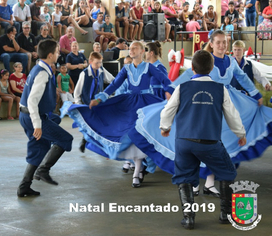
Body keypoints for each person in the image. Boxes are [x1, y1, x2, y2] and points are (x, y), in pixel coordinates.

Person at [130, 30, 272, 197]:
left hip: (225, 102)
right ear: (211, 43)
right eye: (218, 42)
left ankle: (210, 183)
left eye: (224, 42)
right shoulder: (204, 60)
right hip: (204, 105)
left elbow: (242, 78)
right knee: (203, 142)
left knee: (219, 144)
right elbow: (187, 77)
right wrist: (171, 91)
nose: (222, 45)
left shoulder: (231, 61)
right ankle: (196, 182)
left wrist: (255, 94)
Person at [61, 41, 174, 188]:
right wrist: (100, 98)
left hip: (146, 104)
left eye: (134, 48)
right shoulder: (126, 68)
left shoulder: (149, 67)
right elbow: (114, 85)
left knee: (142, 135)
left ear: (142, 52)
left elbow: (166, 81)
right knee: (129, 134)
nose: (131, 50)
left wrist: (170, 93)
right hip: (129, 104)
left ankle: (139, 170)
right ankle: (137, 169)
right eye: (130, 48)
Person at [160, 50, 246, 229]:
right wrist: (240, 134)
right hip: (210, 142)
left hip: (184, 141)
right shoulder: (219, 89)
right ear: (212, 68)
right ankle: (225, 214)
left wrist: (165, 127)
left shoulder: (182, 88)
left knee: (184, 177)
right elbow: (232, 115)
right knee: (227, 173)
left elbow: (168, 110)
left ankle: (189, 218)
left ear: (192, 68)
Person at [17, 39, 73, 197]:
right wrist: (38, 126)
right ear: (50, 55)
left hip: (27, 115)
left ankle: (24, 187)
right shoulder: (42, 73)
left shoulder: (40, 68)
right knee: (65, 139)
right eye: (57, 51)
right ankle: (43, 170)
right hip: (33, 116)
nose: (58, 54)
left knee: (39, 148)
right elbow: (32, 101)